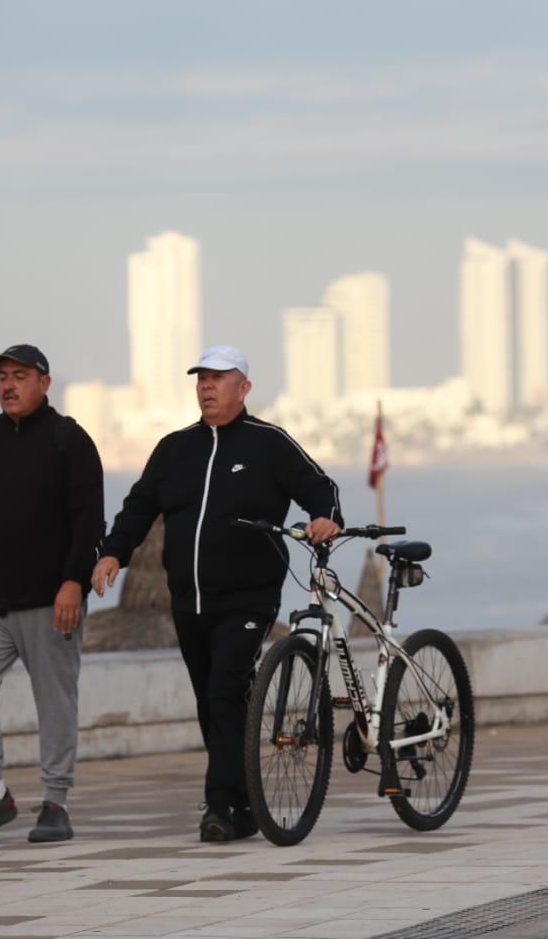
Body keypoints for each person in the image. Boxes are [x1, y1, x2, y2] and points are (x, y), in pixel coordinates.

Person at [91, 345, 342, 841]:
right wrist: (112, 553)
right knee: (212, 700)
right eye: (201, 379)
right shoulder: (174, 448)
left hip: (249, 595)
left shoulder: (269, 443)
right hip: (188, 599)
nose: (207, 387)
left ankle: (220, 806)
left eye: (218, 379)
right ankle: (245, 799)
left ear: (243, 388)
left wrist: (326, 518)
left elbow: (320, 486)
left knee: (225, 688)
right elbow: (139, 507)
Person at [0, 344, 104, 844]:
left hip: (51, 601)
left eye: (21, 376)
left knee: (54, 702)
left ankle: (55, 803)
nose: (9, 385)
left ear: (45, 383)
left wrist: (73, 581)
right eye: (3, 378)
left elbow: (88, 519)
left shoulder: (68, 440)